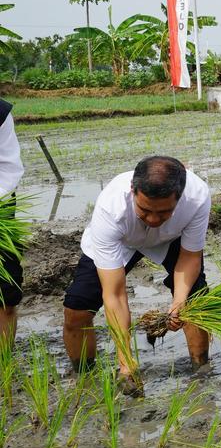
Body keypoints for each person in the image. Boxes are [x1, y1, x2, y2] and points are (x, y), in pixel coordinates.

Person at [62, 156, 211, 394]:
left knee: (196, 303)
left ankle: (201, 369)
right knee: (77, 309)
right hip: (121, 240)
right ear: (133, 190)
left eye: (163, 212)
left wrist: (179, 302)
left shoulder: (197, 197)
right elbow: (115, 295)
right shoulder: (111, 206)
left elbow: (190, 257)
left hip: (170, 238)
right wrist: (126, 362)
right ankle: (85, 377)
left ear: (180, 198)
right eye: (145, 209)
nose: (153, 219)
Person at [0, 99, 23, 352]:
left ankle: (3, 362)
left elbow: (9, 170)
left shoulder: (0, 113)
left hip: (0, 208)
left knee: (5, 295)